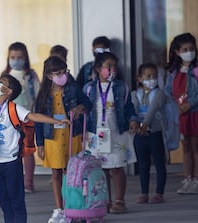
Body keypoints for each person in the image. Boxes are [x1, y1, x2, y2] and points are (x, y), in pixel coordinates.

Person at [0, 74, 70, 223]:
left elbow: (34, 116)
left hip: (11, 160)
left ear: (9, 92)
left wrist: (56, 121)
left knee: (16, 197)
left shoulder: (13, 108)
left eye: (2, 82)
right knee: (2, 196)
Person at [34, 56, 92, 223]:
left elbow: (87, 103)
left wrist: (80, 108)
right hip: (52, 139)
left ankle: (73, 207)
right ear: (48, 75)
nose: (62, 76)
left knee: (72, 173)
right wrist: (39, 144)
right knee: (56, 173)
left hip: (72, 136)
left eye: (64, 72)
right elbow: (38, 119)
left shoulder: (73, 89)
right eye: (57, 73)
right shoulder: (44, 95)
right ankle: (59, 208)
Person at [83, 52, 138, 214]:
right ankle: (104, 200)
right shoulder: (88, 88)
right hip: (95, 133)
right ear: (98, 68)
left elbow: (129, 107)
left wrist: (133, 119)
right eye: (108, 66)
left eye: (114, 66)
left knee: (117, 166)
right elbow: (84, 110)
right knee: (101, 168)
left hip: (116, 132)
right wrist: (81, 130)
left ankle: (120, 200)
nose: (112, 69)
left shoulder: (122, 87)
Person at [165, 33, 198, 194]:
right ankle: (188, 179)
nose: (189, 52)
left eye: (191, 48)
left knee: (197, 145)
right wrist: (174, 107)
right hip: (180, 115)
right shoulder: (172, 71)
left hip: (197, 113)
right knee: (185, 147)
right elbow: (167, 91)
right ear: (177, 52)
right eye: (185, 49)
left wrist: (189, 104)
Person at [1, 42, 40, 193]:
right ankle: (13, 182)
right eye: (13, 57)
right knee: (12, 151)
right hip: (9, 118)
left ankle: (28, 182)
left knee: (27, 150)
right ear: (8, 58)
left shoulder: (31, 76)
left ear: (25, 58)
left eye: (19, 57)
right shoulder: (5, 76)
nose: (16, 60)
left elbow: (37, 94)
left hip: (27, 117)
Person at [131, 63, 167, 204]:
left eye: (155, 76)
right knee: (143, 165)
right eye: (148, 76)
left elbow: (153, 109)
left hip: (155, 134)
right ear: (139, 78)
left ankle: (159, 193)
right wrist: (135, 124)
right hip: (139, 135)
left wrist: (144, 125)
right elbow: (133, 110)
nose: (152, 79)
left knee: (159, 163)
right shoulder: (135, 94)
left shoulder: (159, 93)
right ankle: (144, 192)